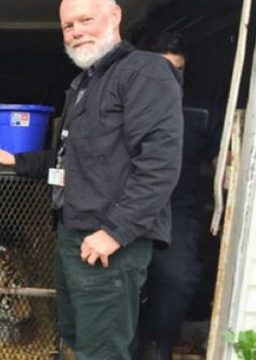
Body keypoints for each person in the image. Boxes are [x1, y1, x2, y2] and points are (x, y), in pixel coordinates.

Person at [0, 0, 183, 358]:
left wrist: (115, 232)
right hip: (74, 236)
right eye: (68, 26)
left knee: (101, 349)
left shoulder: (144, 73)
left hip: (109, 245)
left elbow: (159, 164)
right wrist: (20, 160)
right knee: (75, 338)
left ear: (115, 15)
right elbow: (74, 159)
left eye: (85, 20)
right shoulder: (85, 82)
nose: (76, 32)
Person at [136, 33, 216, 360]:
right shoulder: (123, 103)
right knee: (120, 280)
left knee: (177, 277)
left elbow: (224, 157)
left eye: (178, 71)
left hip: (176, 206)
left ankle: (159, 344)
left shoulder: (200, 110)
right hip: (127, 204)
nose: (171, 79)